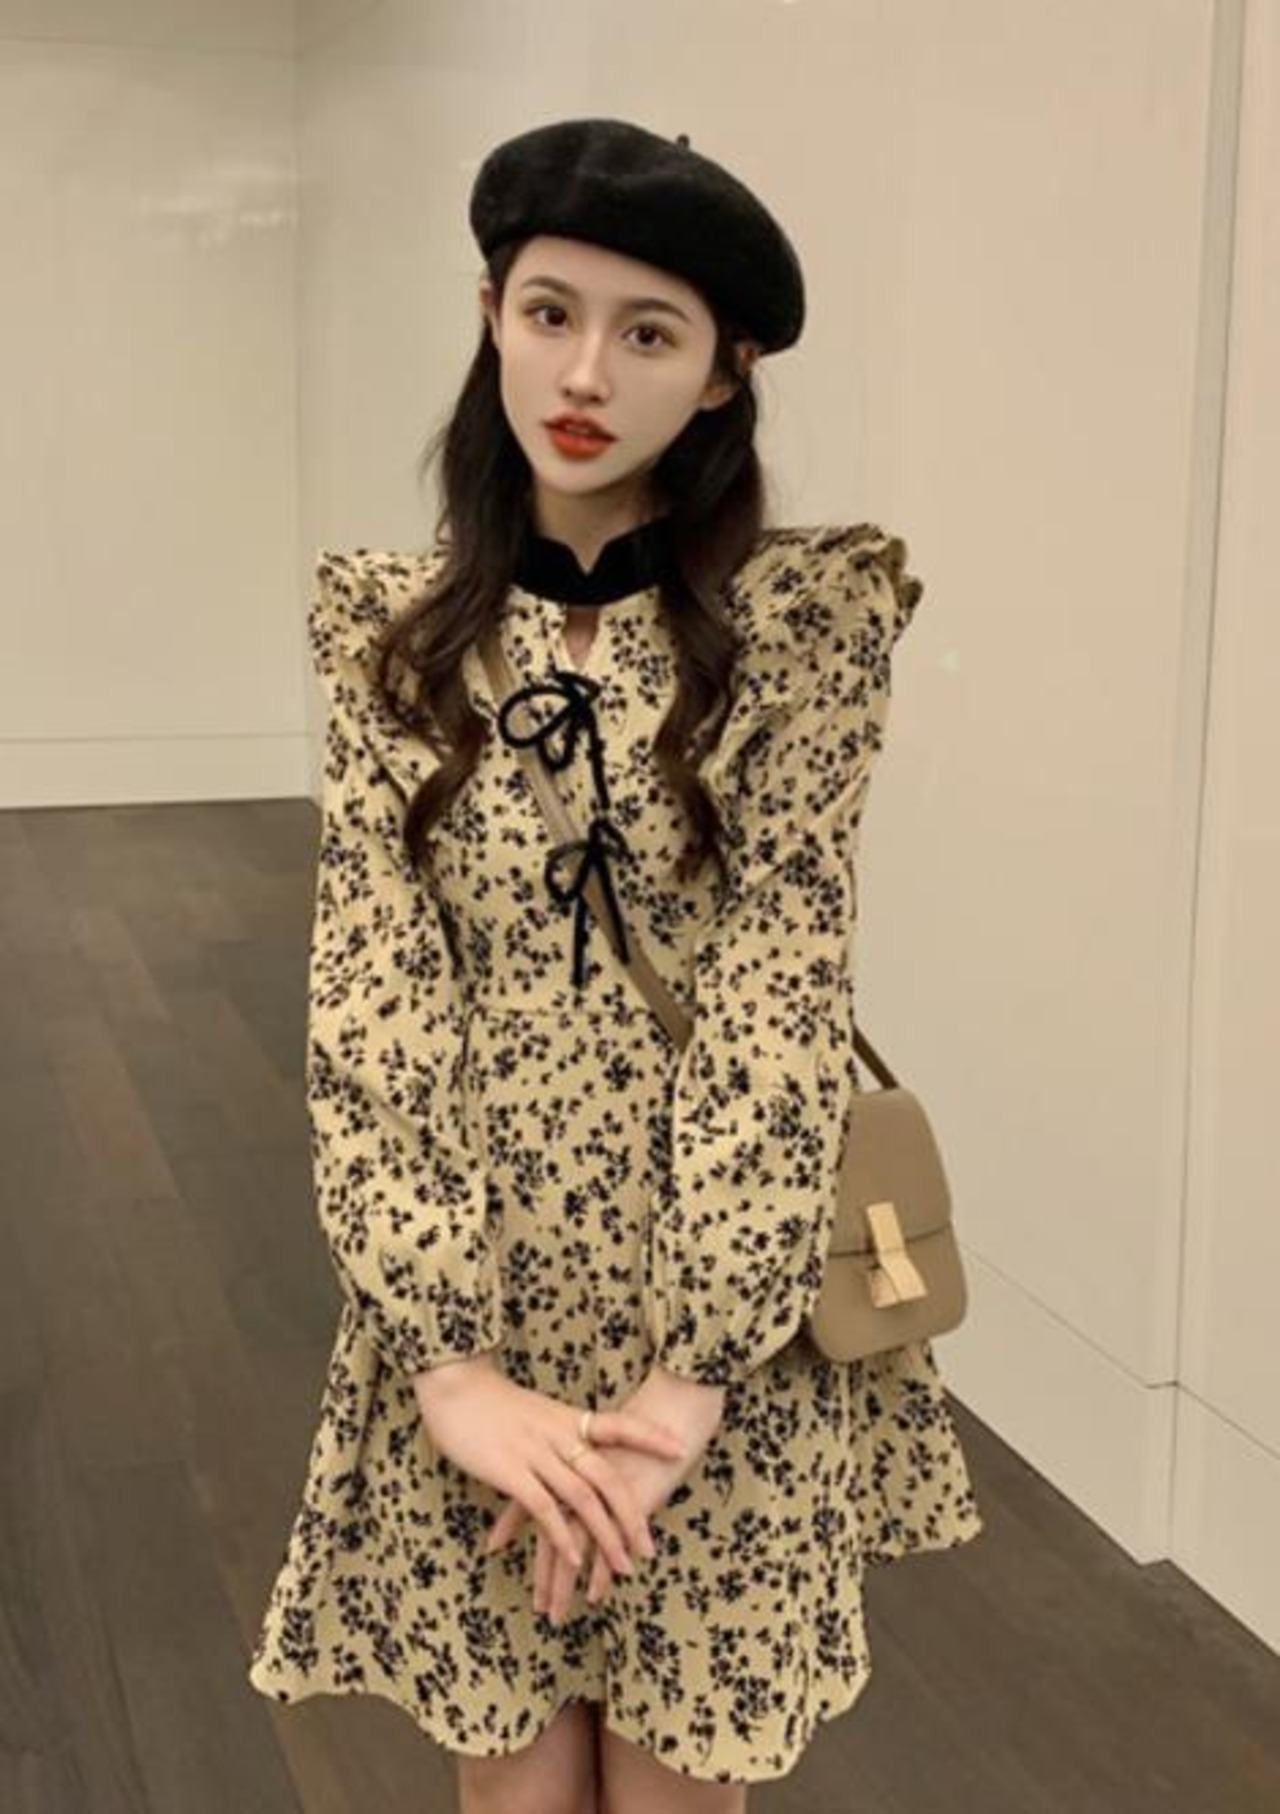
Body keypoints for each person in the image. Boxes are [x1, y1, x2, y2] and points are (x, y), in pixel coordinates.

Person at [248, 117, 984, 1813]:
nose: (585, 373)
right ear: (491, 317)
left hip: (711, 1321)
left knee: (675, 1784)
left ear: (725, 375)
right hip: (477, 1301)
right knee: (512, 1781)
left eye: (648, 332)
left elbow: (780, 996)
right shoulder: (391, 634)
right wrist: (448, 1363)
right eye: (548, 312)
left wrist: (688, 1382)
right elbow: (372, 996)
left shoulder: (801, 633)